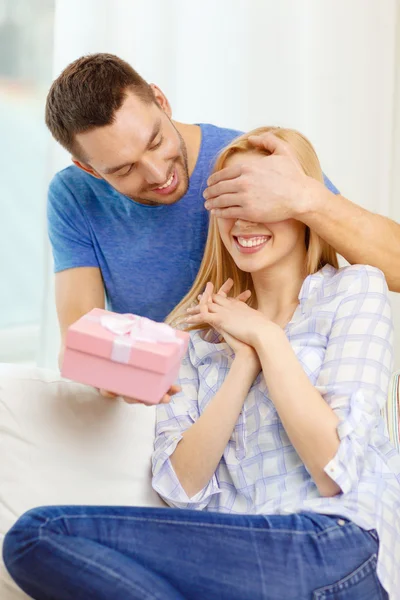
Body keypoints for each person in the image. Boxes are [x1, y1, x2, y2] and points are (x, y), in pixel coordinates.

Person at [4, 127, 400, 599]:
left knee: (42, 532)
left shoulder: (353, 291)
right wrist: (242, 363)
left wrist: (267, 338)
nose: (244, 220)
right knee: (35, 537)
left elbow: (334, 469)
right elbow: (180, 487)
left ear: (297, 205)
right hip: (243, 560)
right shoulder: (195, 337)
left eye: (260, 201)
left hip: (342, 544)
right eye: (229, 204)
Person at [45, 54, 400, 407]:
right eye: (123, 170)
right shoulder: (74, 195)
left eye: (155, 142)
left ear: (161, 101)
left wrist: (307, 197)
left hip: (269, 395)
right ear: (89, 170)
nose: (156, 174)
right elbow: (80, 340)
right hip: (173, 407)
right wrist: (107, 371)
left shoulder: (246, 161)